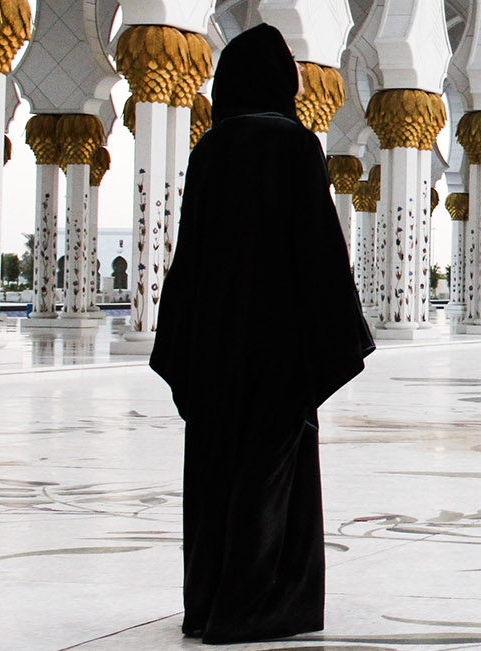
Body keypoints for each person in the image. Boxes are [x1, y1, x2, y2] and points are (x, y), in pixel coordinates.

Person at [149, 24, 375, 645]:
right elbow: (319, 254)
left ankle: (207, 604)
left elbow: (187, 261)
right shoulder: (296, 147)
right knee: (269, 475)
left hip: (216, 346)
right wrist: (335, 336)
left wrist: (184, 348)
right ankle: (256, 605)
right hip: (278, 347)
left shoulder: (209, 150)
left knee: (217, 468)